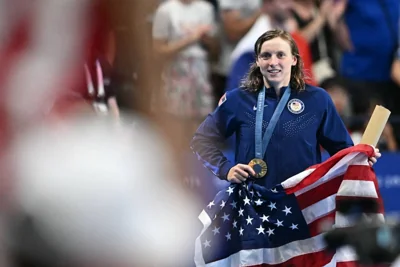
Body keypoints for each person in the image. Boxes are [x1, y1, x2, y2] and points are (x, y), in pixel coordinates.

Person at [191, 29, 380, 188]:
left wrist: (361, 156)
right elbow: (201, 141)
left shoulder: (317, 99)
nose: (273, 62)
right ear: (257, 61)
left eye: (281, 55)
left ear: (294, 60)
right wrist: (226, 169)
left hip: (304, 205)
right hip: (253, 208)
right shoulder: (238, 100)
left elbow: (342, 150)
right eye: (266, 56)